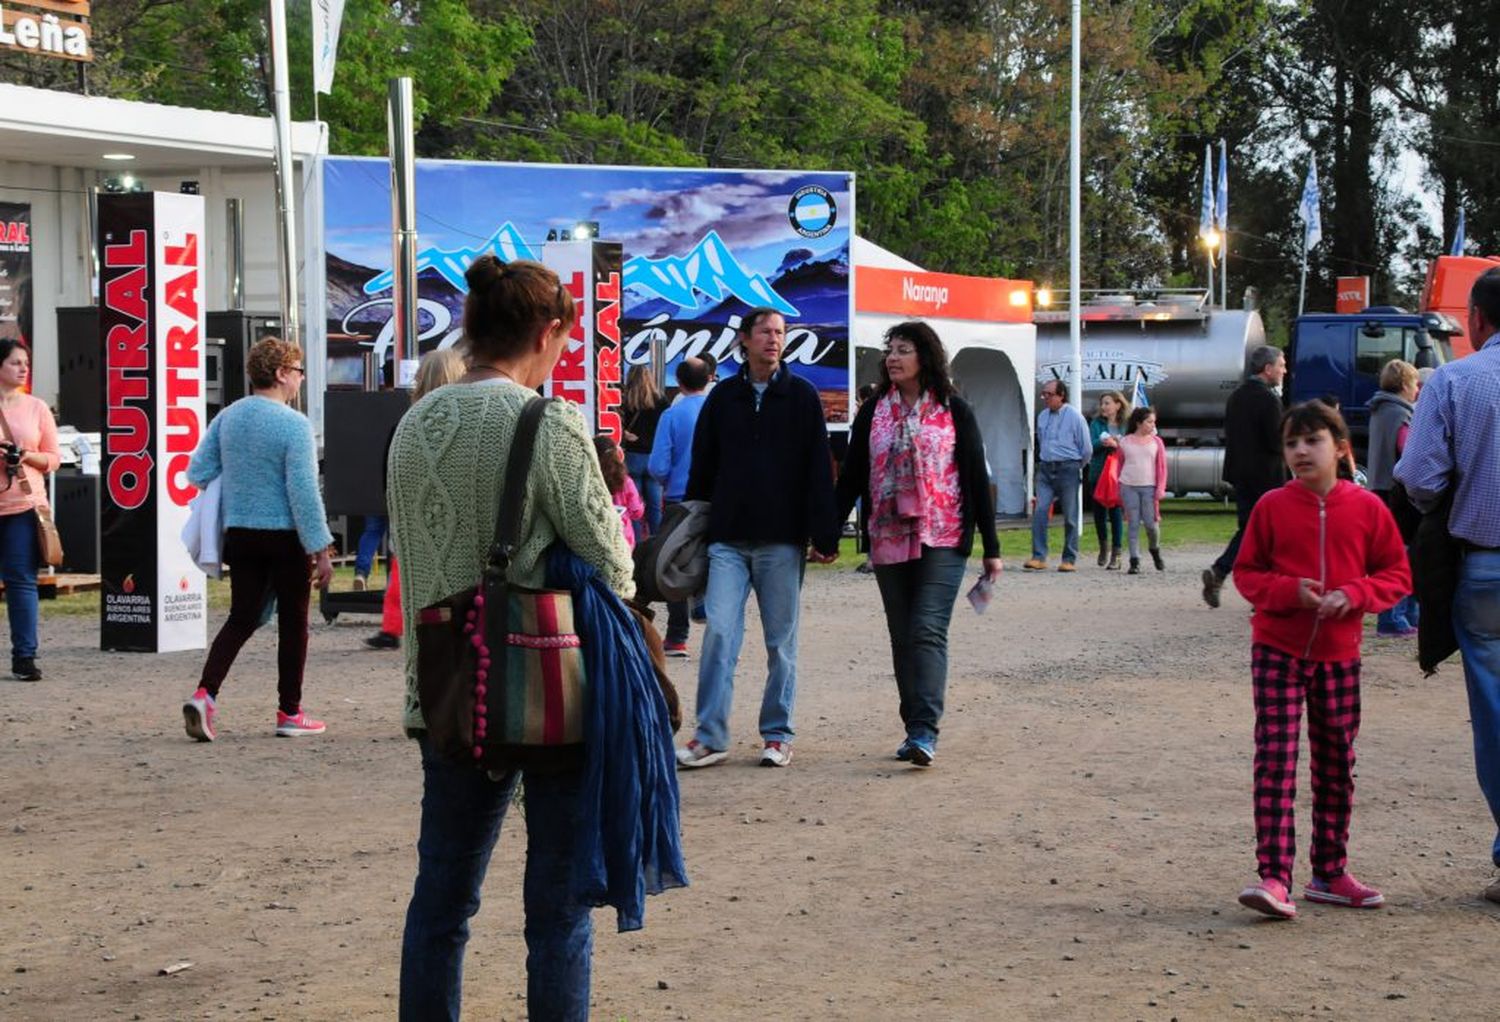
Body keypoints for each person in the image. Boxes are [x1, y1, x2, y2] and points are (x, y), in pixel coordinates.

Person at [387, 257, 666, 1019]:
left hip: (445, 688)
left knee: (441, 901)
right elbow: (616, 563)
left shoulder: (414, 423)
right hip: (547, 689)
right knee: (558, 910)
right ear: (547, 332)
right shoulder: (550, 422)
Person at [1232, 401, 1409, 919]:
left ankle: (1330, 872)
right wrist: (1290, 591)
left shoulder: (1370, 509)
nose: (1301, 451)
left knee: (1336, 763)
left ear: (1340, 448)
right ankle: (1275, 877)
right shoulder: (1270, 506)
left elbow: (1397, 574)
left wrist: (1355, 594)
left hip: (1339, 655)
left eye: (1312, 440)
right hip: (1277, 649)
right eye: (1292, 443)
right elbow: (1248, 575)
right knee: (1277, 759)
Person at [675, 307, 839, 769]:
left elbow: (817, 471)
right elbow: (702, 469)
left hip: (782, 539)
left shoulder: (802, 396)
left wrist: (823, 533)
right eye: (765, 332)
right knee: (719, 635)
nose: (774, 339)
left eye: (780, 332)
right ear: (744, 339)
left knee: (780, 643)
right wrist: (693, 528)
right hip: (727, 537)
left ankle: (777, 734)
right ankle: (710, 737)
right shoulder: (723, 396)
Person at [834, 321, 1003, 766]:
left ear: (924, 357)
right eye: (890, 350)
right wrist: (827, 531)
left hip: (944, 535)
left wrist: (992, 546)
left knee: (927, 628)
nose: (892, 357)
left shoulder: (954, 410)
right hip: (889, 535)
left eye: (903, 349)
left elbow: (974, 478)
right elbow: (852, 475)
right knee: (902, 635)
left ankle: (926, 729)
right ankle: (913, 727)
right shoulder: (872, 412)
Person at [1395, 266, 1500, 904]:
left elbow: (1422, 478)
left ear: (1479, 321)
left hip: (1483, 565)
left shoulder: (1457, 380)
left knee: (1495, 717)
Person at [181, 338, 334, 741]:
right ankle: (289, 712)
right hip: (285, 538)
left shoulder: (228, 417)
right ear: (282, 373)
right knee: (294, 624)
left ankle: (205, 694)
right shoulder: (295, 425)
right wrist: (321, 549)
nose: (300, 380)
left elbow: (197, 472)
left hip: (240, 534)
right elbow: (303, 491)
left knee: (241, 617)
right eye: (298, 372)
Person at [364, 347, 468, 651]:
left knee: (403, 575)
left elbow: (390, 471)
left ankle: (394, 627)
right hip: (453, 517)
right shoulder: (467, 424)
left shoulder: (406, 424)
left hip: (411, 515)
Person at [1202, 344, 1286, 608]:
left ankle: (1223, 573)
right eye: (1282, 365)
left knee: (1250, 529)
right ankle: (1257, 590)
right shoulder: (1269, 400)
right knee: (1267, 533)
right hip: (1267, 477)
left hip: (1241, 474)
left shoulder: (1237, 396)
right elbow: (1276, 442)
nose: (1285, 370)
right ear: (1268, 368)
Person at [0, 339, 59, 682]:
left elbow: (53, 459)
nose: (23, 368)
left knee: (21, 581)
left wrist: (24, 455)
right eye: (14, 362)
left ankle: (25, 656)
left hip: (24, 505)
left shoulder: (37, 407)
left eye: (26, 363)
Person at [649, 356, 711, 657]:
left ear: (680, 382)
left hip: (679, 498)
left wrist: (666, 478)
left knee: (672, 561)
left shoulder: (671, 416)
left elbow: (657, 464)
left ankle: (677, 635)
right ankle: (721, 634)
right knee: (721, 559)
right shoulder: (719, 410)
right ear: (709, 378)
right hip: (717, 496)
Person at [1366, 359, 1420, 637]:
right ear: (1403, 385)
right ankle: (1392, 617)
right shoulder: (1400, 415)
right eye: (1414, 384)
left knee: (1395, 554)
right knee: (1401, 557)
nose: (1416, 390)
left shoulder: (1379, 410)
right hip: (1396, 493)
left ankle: (1406, 613)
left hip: (1379, 488)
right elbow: (1408, 453)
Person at [1023, 377, 1091, 572]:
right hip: (1045, 468)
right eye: (1043, 393)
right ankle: (1039, 556)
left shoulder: (1075, 417)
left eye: (1049, 394)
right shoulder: (1042, 416)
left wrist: (1076, 465)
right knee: (1040, 511)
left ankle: (1069, 558)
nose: (1045, 397)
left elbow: (1086, 448)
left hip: (1068, 468)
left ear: (1061, 396)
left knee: (1070, 515)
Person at [621, 364, 668, 542]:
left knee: (634, 507)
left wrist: (627, 435)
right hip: (653, 458)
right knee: (655, 506)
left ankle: (637, 545)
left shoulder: (624, 400)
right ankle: (657, 545)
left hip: (632, 457)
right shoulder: (661, 401)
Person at [1117, 405, 1166, 575]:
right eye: (1149, 422)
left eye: (1154, 422)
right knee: (1133, 523)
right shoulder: (1125, 442)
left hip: (1149, 487)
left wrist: (1160, 488)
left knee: (1151, 525)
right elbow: (1121, 464)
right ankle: (1134, 560)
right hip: (1129, 485)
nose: (1152, 425)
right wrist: (1119, 485)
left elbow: (1162, 467)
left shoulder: (1157, 442)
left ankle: (1154, 548)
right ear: (1139, 423)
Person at [1088, 390, 1128, 570]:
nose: (1104, 407)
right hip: (1098, 474)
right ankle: (1103, 545)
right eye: (1102, 403)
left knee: (1116, 512)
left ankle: (1116, 553)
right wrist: (1104, 443)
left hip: (1118, 475)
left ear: (1118, 405)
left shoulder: (1126, 425)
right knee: (1099, 513)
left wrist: (1117, 444)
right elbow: (1090, 445)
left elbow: (1130, 446)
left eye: (1107, 403)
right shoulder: (1096, 423)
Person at [594, 433, 644, 551]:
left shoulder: (591, 481)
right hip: (624, 537)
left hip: (598, 536)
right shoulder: (625, 481)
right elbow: (636, 512)